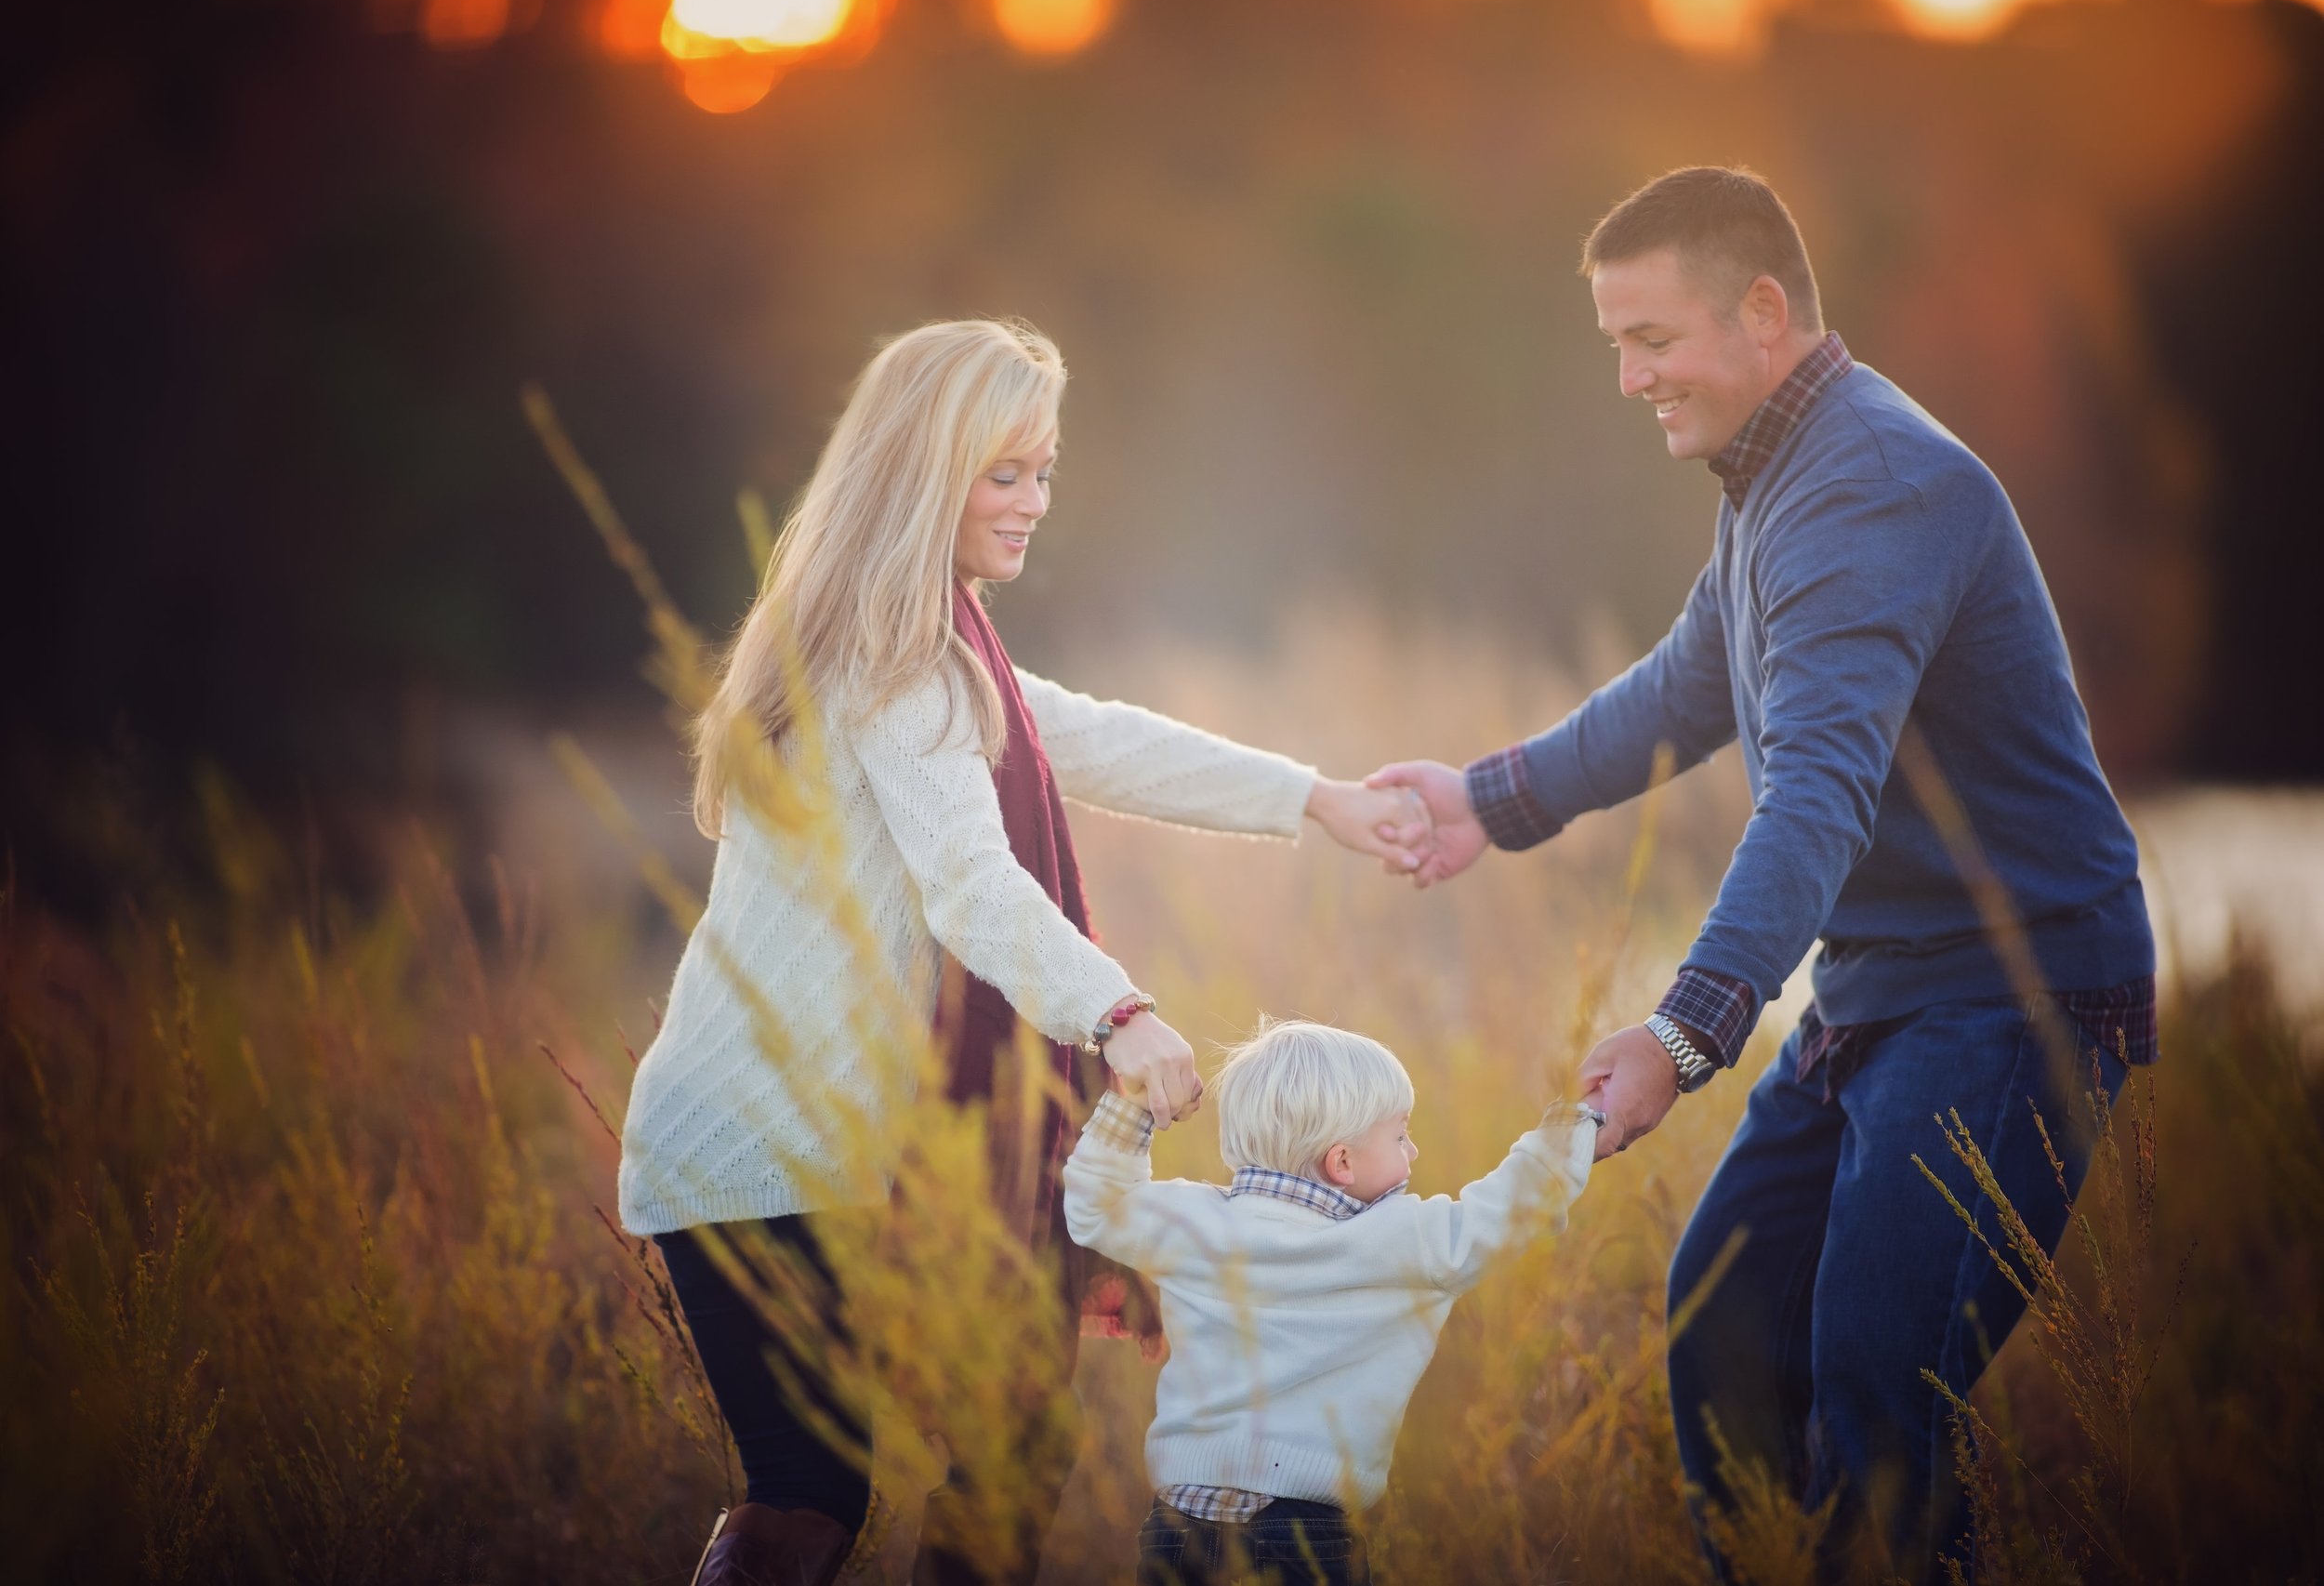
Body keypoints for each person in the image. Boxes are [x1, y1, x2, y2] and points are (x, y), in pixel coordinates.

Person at [1370, 166, 2156, 1581]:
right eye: (1615, 344)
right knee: (1727, 1319)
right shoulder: (1778, 477)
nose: (1628, 378)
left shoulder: (1867, 488)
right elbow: (1692, 683)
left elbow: (1815, 801)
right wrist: (1494, 798)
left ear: (1763, 311)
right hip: (1882, 992)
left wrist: (1687, 1030)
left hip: (2011, 993)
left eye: (1651, 340)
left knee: (1876, 1389)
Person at [614, 319, 1422, 1586]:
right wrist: (1117, 1014)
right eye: (1006, 472)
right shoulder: (895, 658)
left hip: (821, 1141)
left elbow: (1087, 740)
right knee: (827, 1490)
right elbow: (972, 884)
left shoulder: (933, 644)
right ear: (925, 470)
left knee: (976, 1455)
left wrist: (1316, 795)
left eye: (1045, 470)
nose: (1036, 501)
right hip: (761, 1146)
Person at [1063, 1017, 1600, 1586]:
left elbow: (1096, 1205)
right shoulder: (1402, 1242)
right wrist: (1577, 1128)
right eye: (1400, 1136)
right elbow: (1509, 1208)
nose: (1412, 1151)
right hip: (1307, 1535)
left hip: (1177, 1528)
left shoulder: (1190, 1222)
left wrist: (1134, 1105)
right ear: (1342, 1163)